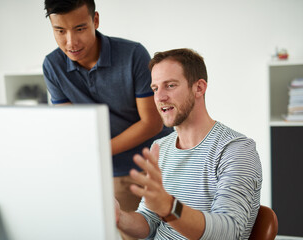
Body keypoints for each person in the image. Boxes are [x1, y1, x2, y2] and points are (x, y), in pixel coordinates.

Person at [42, 1, 172, 239]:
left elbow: (152, 123)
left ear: (96, 21)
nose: (70, 42)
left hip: (157, 166)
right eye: (60, 31)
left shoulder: (133, 54)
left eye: (79, 29)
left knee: (176, 232)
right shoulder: (52, 65)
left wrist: (97, 151)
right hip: (111, 172)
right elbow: (72, 128)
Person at [115, 48, 262, 240]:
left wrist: (169, 206)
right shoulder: (160, 147)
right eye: (155, 88)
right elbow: (149, 220)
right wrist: (119, 217)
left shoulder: (236, 150)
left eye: (170, 86)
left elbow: (230, 232)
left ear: (199, 88)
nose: (159, 98)